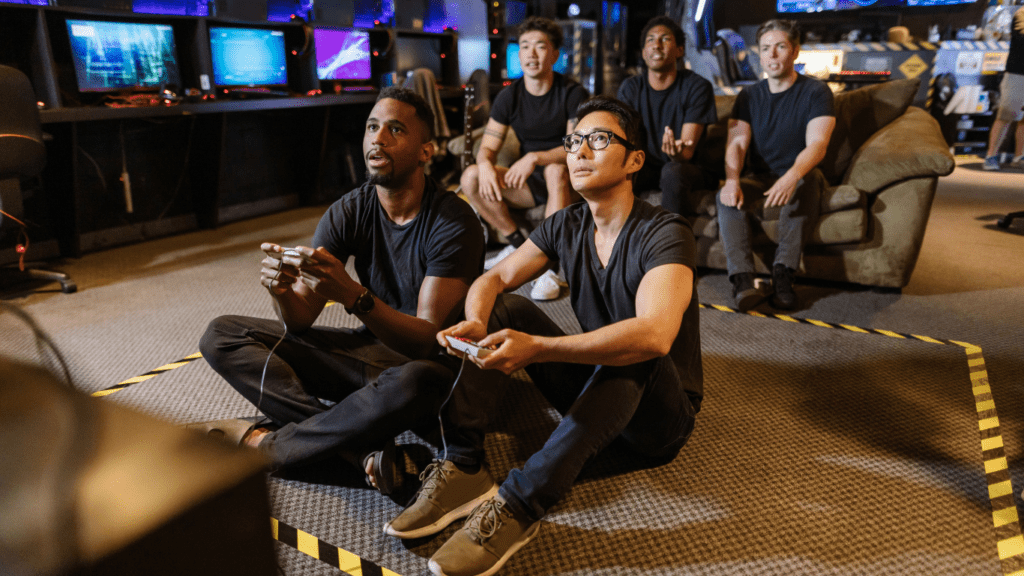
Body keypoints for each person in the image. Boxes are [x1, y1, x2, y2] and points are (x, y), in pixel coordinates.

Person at [386, 97, 702, 576]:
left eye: (598, 140)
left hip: (660, 414)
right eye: (573, 141)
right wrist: (476, 321)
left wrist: (541, 348)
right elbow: (491, 280)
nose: (579, 152)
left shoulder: (665, 233)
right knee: (506, 307)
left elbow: (655, 336)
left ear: (635, 160)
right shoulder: (566, 224)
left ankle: (519, 504)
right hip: (598, 389)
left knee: (633, 350)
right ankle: (464, 466)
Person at [191, 87, 485, 495]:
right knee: (222, 334)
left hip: (429, 374)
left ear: (426, 151)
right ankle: (360, 453)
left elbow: (426, 342)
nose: (377, 139)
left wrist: (353, 297)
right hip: (366, 358)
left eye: (395, 130)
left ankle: (269, 447)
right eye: (371, 127)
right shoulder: (349, 209)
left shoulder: (454, 222)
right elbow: (300, 321)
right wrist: (283, 292)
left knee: (415, 379)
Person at [459, 15, 590, 301]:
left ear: (555, 54)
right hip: (528, 182)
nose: (531, 53)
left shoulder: (572, 93)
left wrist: (535, 157)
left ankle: (549, 267)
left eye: (540, 46)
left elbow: (575, 146)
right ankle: (517, 244)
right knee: (470, 176)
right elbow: (487, 148)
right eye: (525, 46)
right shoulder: (510, 96)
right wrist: (484, 165)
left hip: (566, 177)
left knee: (556, 170)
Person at [716, 19, 835, 311]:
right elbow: (737, 143)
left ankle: (783, 274)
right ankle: (743, 280)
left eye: (780, 47)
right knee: (726, 198)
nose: (772, 55)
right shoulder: (748, 95)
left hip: (803, 173)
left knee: (806, 183)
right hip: (760, 177)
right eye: (766, 48)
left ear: (794, 51)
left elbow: (817, 144)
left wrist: (793, 175)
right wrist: (732, 179)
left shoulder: (816, 92)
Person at [617, 15, 718, 218]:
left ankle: (671, 245)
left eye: (665, 39)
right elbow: (622, 139)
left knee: (672, 171)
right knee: (618, 169)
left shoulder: (697, 87)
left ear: (680, 51)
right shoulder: (631, 88)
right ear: (644, 53)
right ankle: (614, 244)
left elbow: (686, 154)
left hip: (687, 168)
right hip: (645, 165)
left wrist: (677, 153)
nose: (657, 45)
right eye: (650, 40)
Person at [984, 5, 1024, 171]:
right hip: (1017, 72)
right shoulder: (1021, 14)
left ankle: (1019, 156)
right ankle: (991, 155)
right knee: (1006, 115)